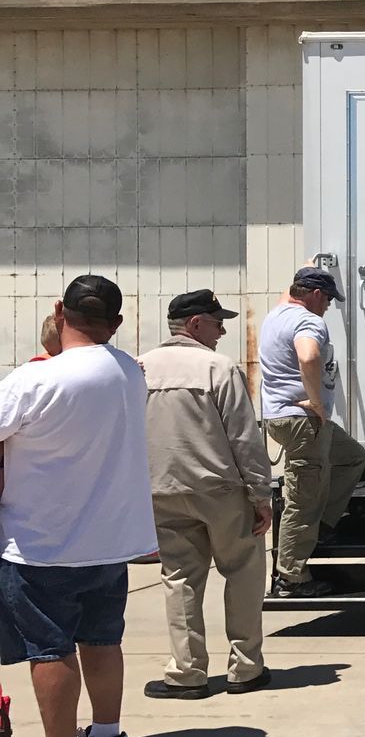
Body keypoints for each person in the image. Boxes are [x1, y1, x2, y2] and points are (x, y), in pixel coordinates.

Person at [0, 275, 156, 737]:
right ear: (115, 323)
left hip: (44, 542)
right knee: (102, 640)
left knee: (50, 649)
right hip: (110, 540)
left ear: (58, 311)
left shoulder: (34, 379)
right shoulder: (131, 372)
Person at [139, 290, 275, 698]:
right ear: (195, 324)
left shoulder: (139, 368)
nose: (223, 330)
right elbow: (244, 437)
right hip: (219, 491)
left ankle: (187, 673)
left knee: (179, 577)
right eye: (217, 322)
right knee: (244, 572)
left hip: (161, 490)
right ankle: (246, 667)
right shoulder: (218, 367)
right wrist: (261, 494)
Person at [259, 266, 365, 598]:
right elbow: (309, 355)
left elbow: (292, 292)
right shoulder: (308, 321)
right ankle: (291, 578)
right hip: (303, 421)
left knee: (350, 457)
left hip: (282, 418)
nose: (329, 307)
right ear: (316, 295)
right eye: (329, 300)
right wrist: (317, 401)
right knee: (304, 498)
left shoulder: (275, 315)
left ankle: (322, 528)